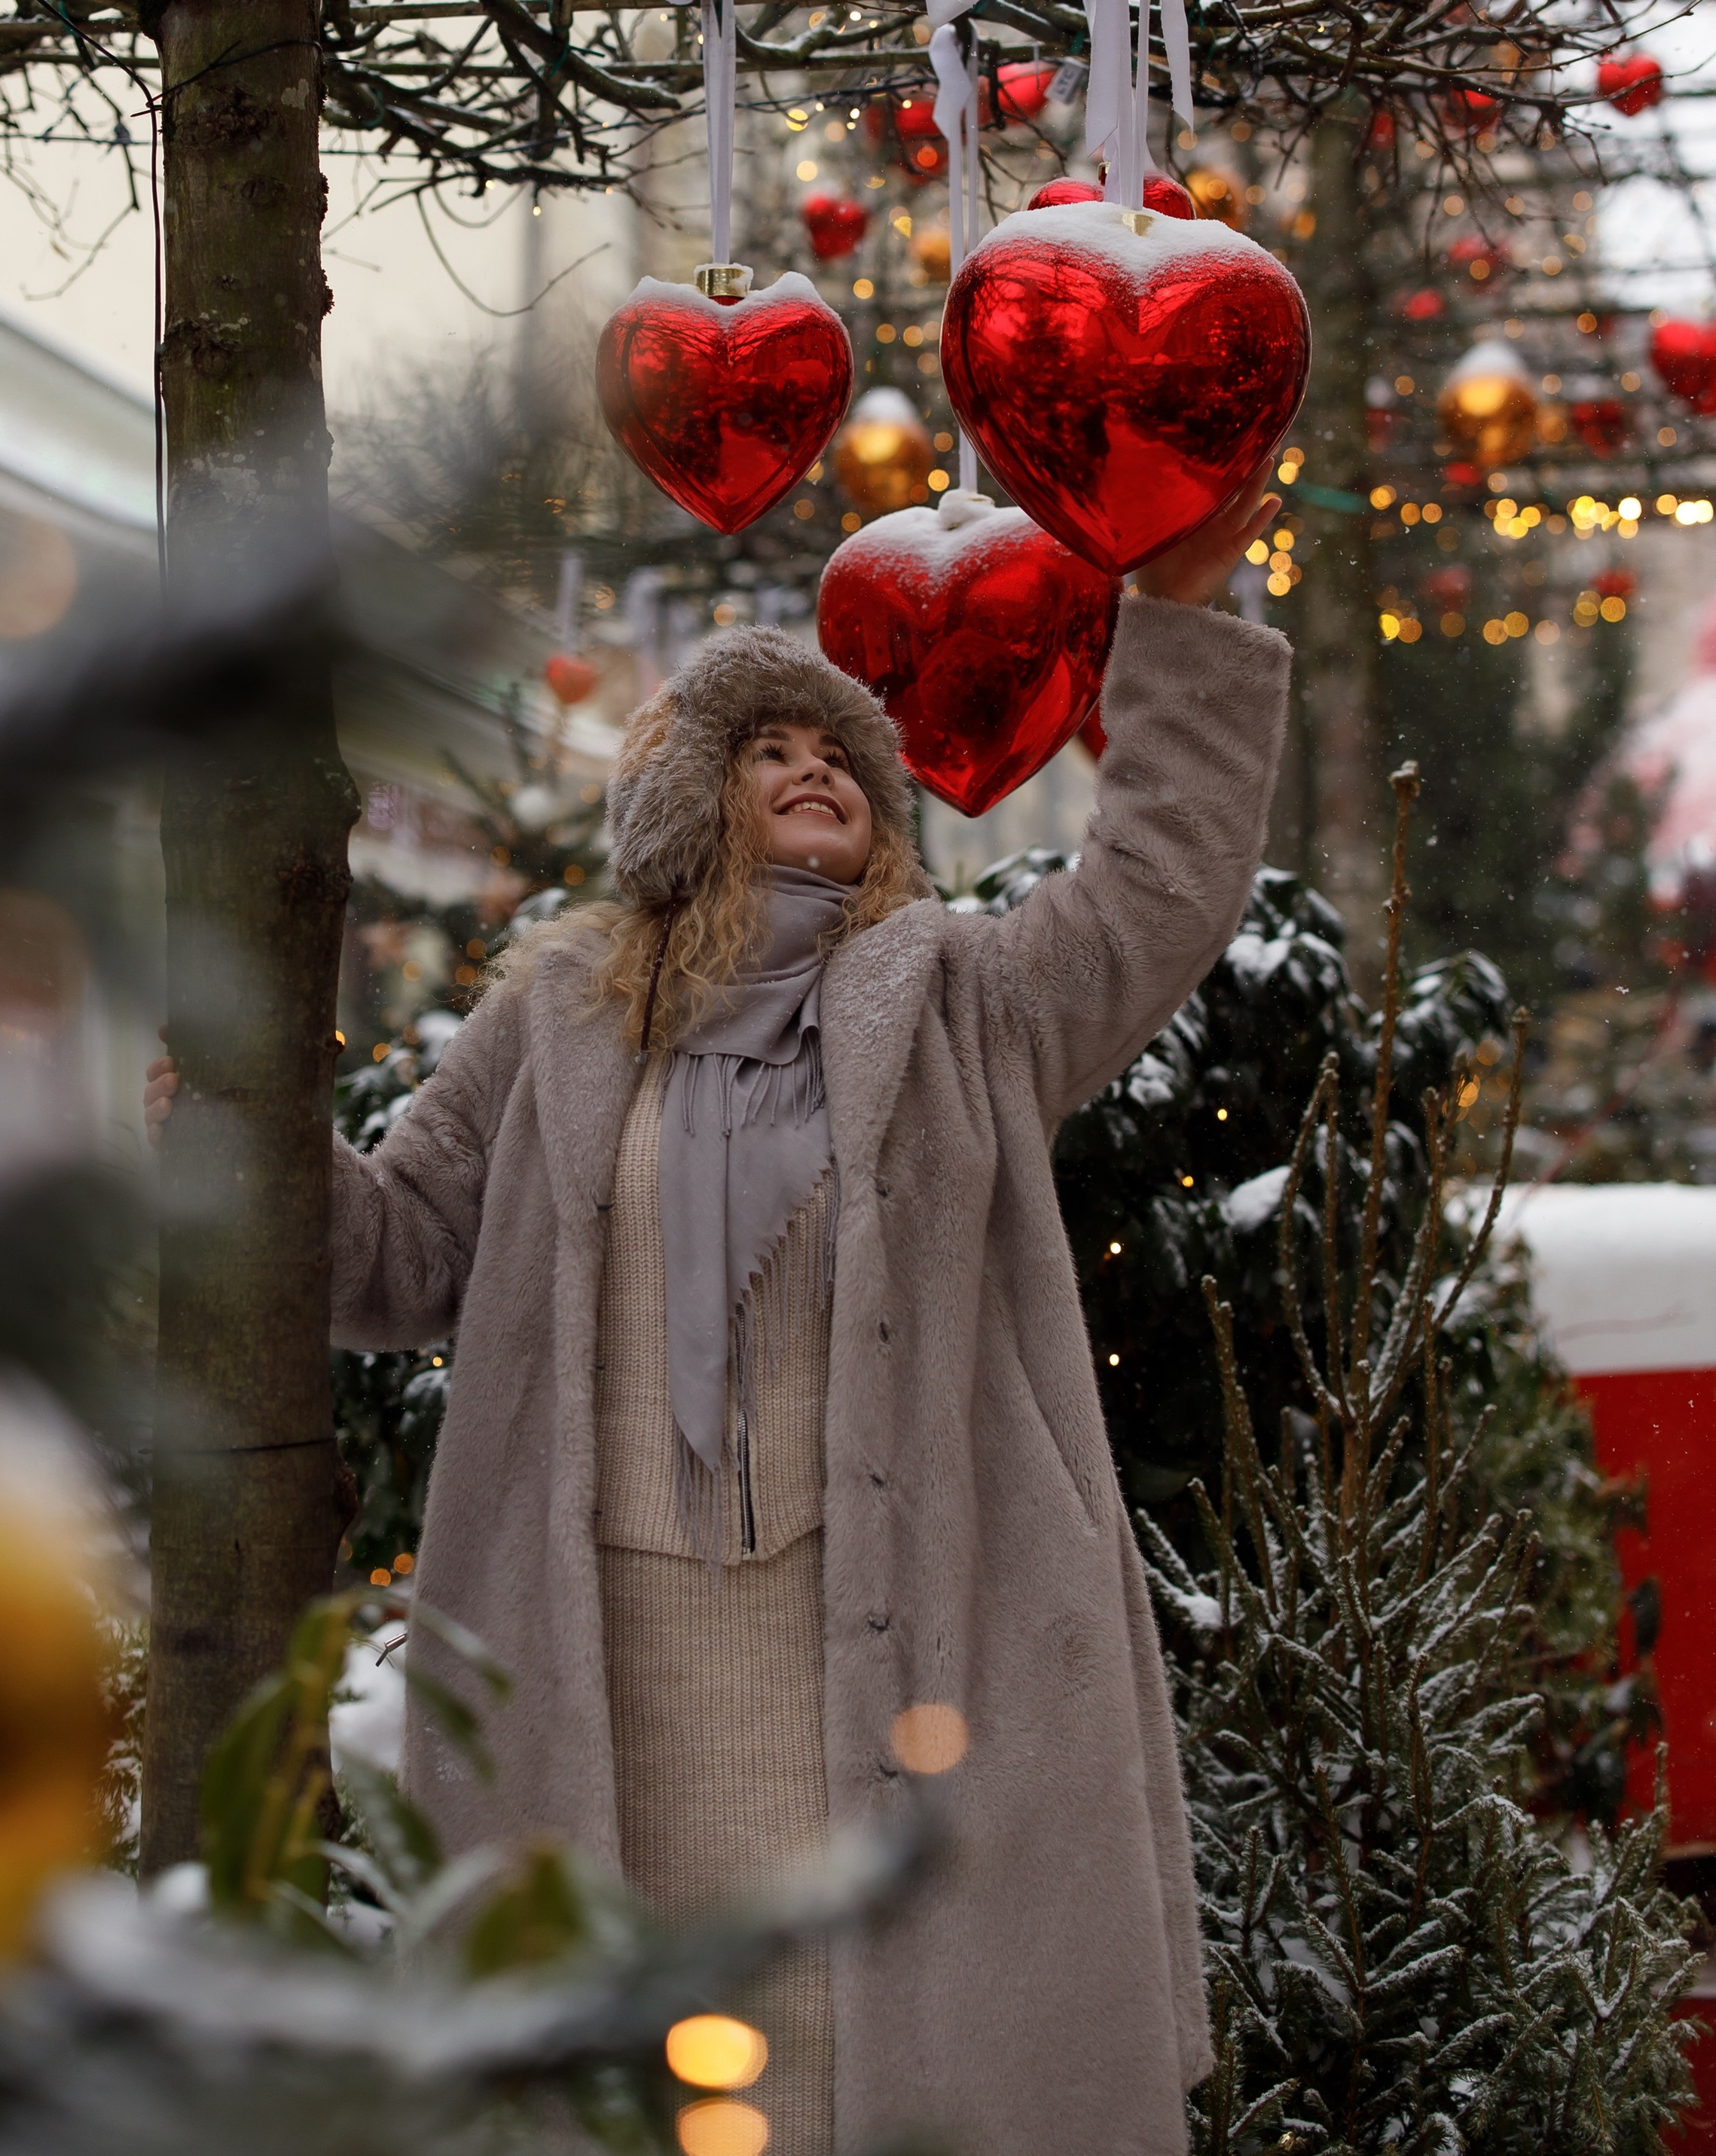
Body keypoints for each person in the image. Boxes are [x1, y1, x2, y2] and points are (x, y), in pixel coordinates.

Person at [145, 467, 1289, 2156]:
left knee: (877, 2085)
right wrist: (244, 1136)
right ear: (687, 798)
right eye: (765, 748)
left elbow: (1158, 882)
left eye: (835, 752)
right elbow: (393, 1259)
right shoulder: (555, 1013)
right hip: (605, 1670)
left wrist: (1183, 612)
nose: (813, 764)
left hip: (903, 1652)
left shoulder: (963, 996)